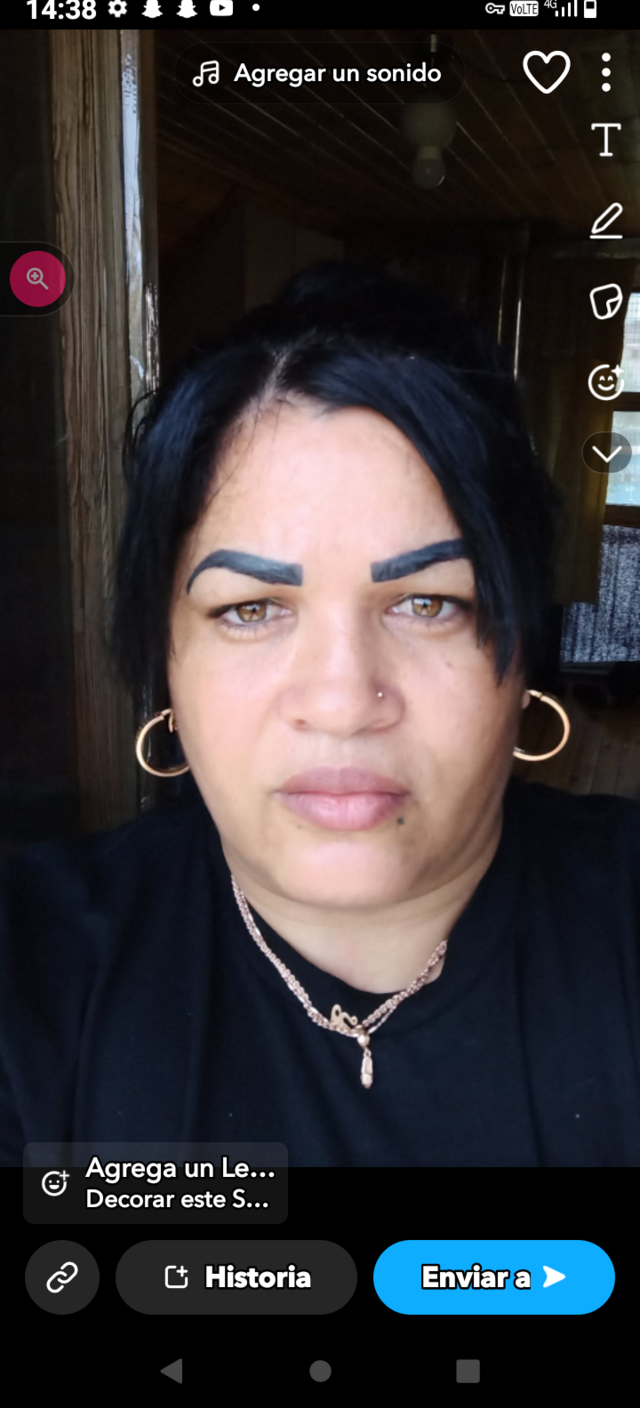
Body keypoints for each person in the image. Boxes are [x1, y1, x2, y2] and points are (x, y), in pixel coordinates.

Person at [1, 259, 639, 1168]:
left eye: (428, 602)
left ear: (522, 646)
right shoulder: (34, 969)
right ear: (165, 660)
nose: (342, 703)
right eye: (250, 609)